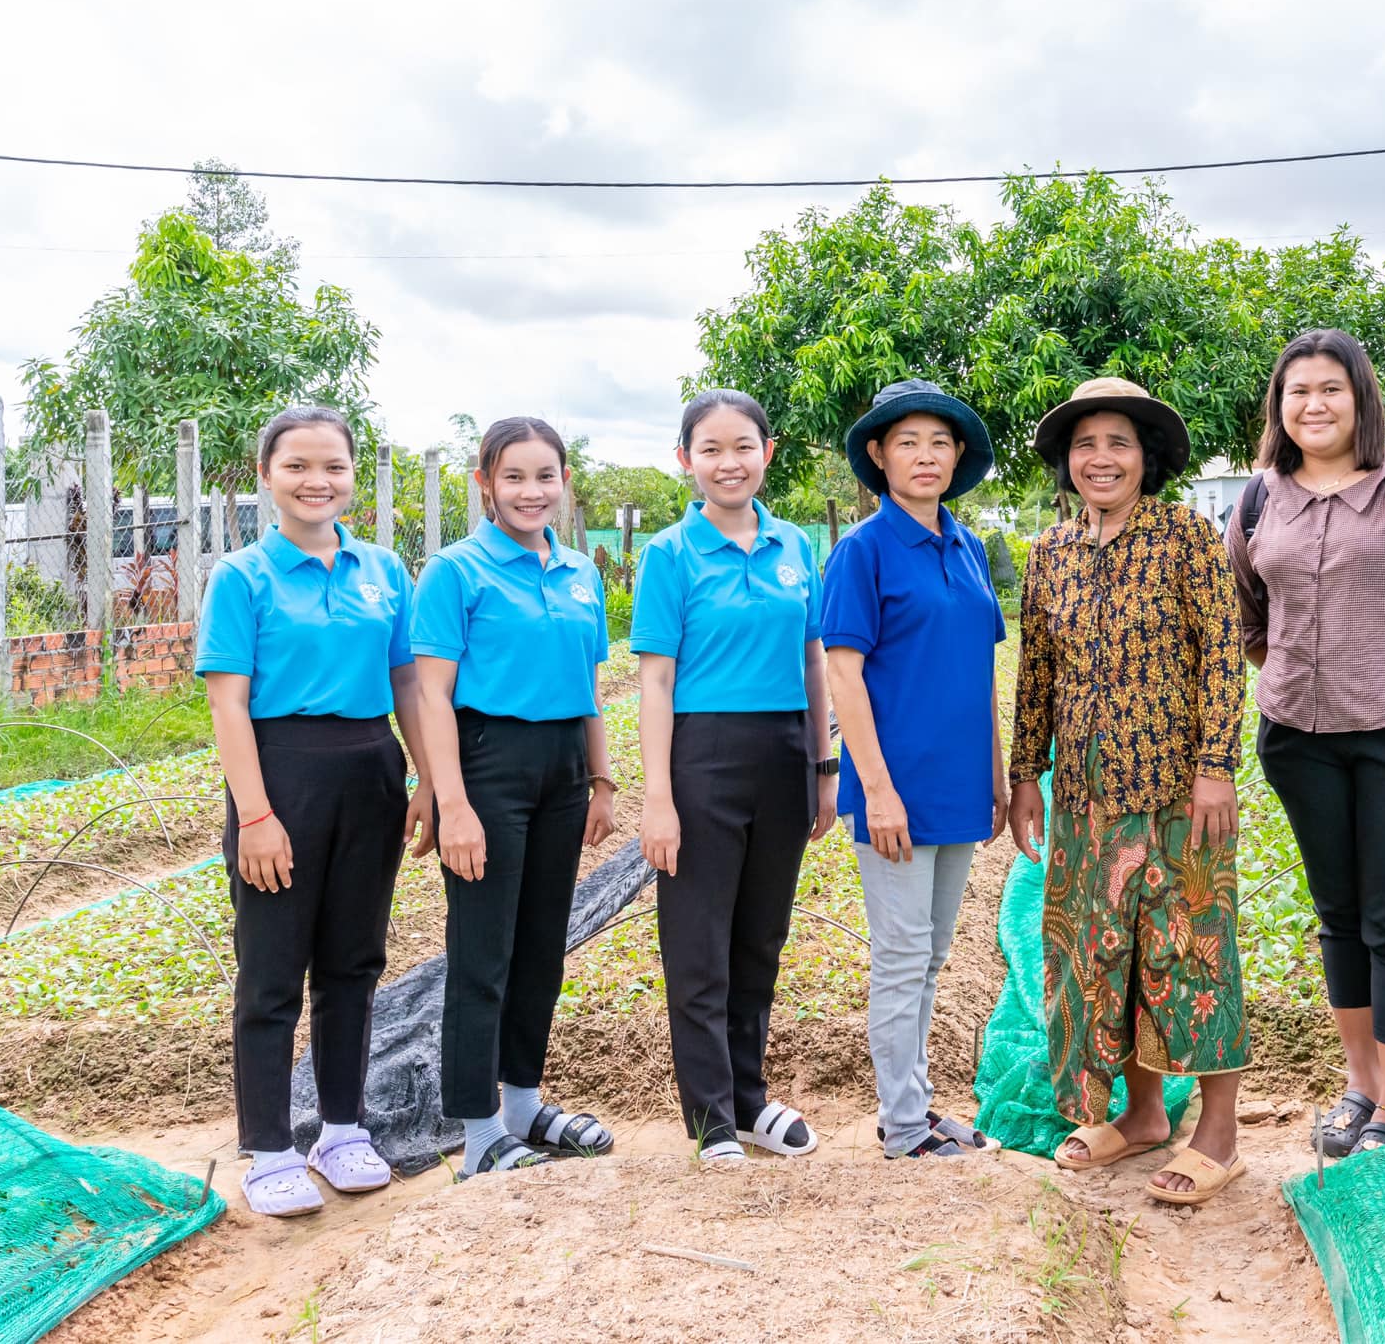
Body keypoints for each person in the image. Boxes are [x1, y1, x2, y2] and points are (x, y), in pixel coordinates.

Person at [1227, 331, 1385, 1155]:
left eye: (1331, 388)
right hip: (1297, 741)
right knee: (1338, 918)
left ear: (1360, 397)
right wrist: (1305, 670)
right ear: (1279, 406)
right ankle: (1360, 1089)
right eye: (1297, 391)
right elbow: (1249, 618)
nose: (1314, 405)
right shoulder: (1261, 498)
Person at [1009, 376, 1251, 1207]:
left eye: (1119, 443)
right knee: (1101, 958)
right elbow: (1035, 677)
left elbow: (1222, 657)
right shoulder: (1049, 554)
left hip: (1183, 792)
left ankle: (1217, 1133)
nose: (1101, 458)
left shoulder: (1186, 537)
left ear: (1147, 458)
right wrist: (1022, 776)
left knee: (1194, 954)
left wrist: (1217, 766)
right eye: (1085, 445)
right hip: (1082, 793)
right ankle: (1142, 1116)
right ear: (1067, 463)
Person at [197, 406, 431, 1218]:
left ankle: (341, 1128)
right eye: (297, 465)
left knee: (352, 962)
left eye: (332, 466)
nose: (316, 481)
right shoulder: (242, 577)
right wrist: (255, 815)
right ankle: (267, 1147)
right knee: (271, 971)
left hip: (371, 770)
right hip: (280, 774)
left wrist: (428, 782)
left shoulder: (382, 570)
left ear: (351, 477)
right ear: (267, 476)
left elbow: (407, 683)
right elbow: (229, 705)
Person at [412, 417, 619, 1176]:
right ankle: (476, 1135)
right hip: (487, 760)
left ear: (563, 482)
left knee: (540, 947)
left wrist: (600, 779)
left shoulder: (580, 574)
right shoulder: (455, 573)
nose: (532, 492)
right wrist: (452, 804)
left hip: (563, 766)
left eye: (546, 477)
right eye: (514, 478)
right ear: (485, 484)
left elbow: (590, 686)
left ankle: (525, 1105)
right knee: (482, 954)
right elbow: (433, 696)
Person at [633, 390, 835, 1162]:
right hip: (701, 756)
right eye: (710, 450)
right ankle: (711, 1115)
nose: (729, 463)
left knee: (760, 940)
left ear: (767, 453)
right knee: (698, 944)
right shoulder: (669, 555)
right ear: (685, 461)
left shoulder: (793, 547)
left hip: (783, 752)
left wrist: (822, 768)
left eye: (742, 446)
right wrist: (659, 798)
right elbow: (655, 680)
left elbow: (813, 661)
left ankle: (749, 1098)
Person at [824, 379, 1007, 1160]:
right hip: (892, 792)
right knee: (901, 959)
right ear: (878, 455)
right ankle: (903, 1128)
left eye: (939, 443)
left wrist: (997, 776)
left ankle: (917, 1106)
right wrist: (878, 788)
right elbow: (843, 673)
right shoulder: (861, 553)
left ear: (958, 456)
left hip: (960, 787)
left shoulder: (965, 548)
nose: (925, 456)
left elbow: (980, 672)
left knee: (931, 956)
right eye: (907, 443)